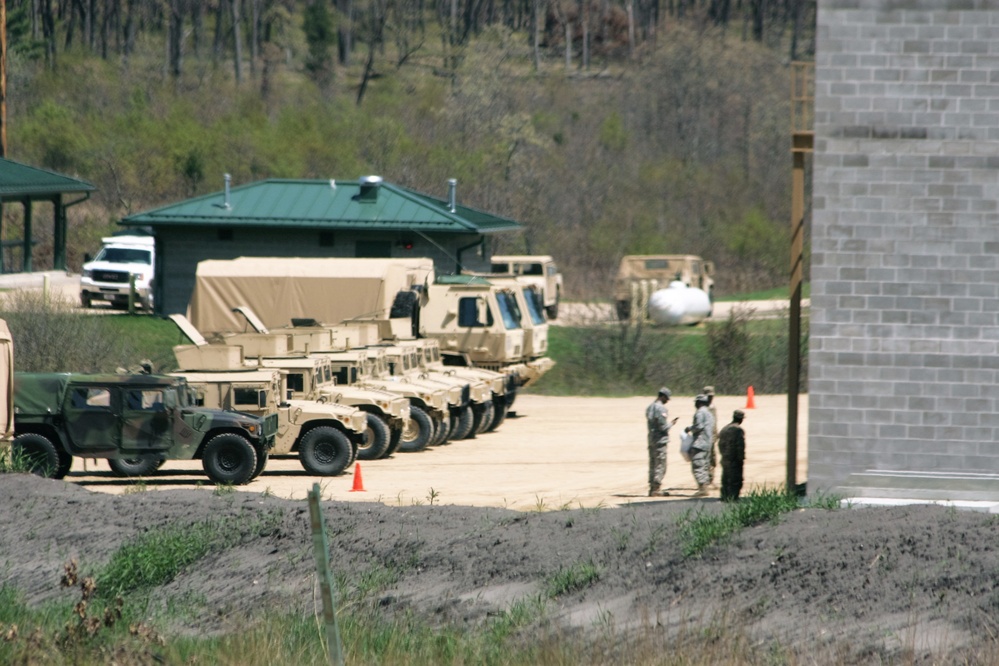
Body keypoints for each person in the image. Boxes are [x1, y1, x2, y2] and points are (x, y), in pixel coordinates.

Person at [646, 387, 678, 497]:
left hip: (651, 439)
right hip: (660, 440)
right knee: (660, 464)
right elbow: (663, 427)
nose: (667, 401)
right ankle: (656, 488)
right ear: (662, 396)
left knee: (653, 463)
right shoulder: (661, 408)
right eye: (667, 398)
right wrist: (672, 423)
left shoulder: (650, 407)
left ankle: (652, 487)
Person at [685, 394, 715, 497]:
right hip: (708, 443)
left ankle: (702, 488)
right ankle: (705, 486)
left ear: (699, 402)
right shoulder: (710, 414)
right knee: (705, 465)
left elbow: (698, 426)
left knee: (698, 466)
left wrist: (689, 429)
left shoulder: (700, 413)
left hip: (699, 443)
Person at [718, 410, 747, 502]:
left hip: (725, 458)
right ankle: (733, 497)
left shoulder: (724, 429)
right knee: (735, 479)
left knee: (725, 478)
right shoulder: (738, 430)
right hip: (734, 459)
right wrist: (741, 458)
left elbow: (720, 444)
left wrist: (724, 454)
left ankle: (724, 496)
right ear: (741, 419)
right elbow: (740, 446)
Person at [703, 386, 719, 485]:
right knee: (705, 458)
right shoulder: (703, 409)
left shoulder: (713, 407)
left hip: (712, 436)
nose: (710, 398)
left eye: (712, 396)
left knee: (713, 458)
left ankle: (710, 477)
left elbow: (715, 422)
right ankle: (705, 478)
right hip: (705, 437)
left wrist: (716, 434)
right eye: (708, 396)